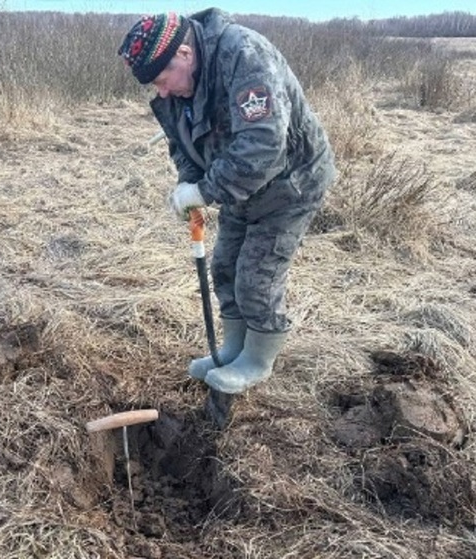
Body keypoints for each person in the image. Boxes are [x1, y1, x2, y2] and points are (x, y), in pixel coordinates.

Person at [118, 9, 336, 425]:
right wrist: (190, 184)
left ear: (184, 52)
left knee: (257, 275)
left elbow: (264, 144)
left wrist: (205, 190)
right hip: (238, 187)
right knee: (225, 266)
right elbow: (183, 144)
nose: (162, 93)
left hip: (291, 183)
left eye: (163, 80)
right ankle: (233, 349)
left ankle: (257, 360)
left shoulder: (243, 55)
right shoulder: (177, 89)